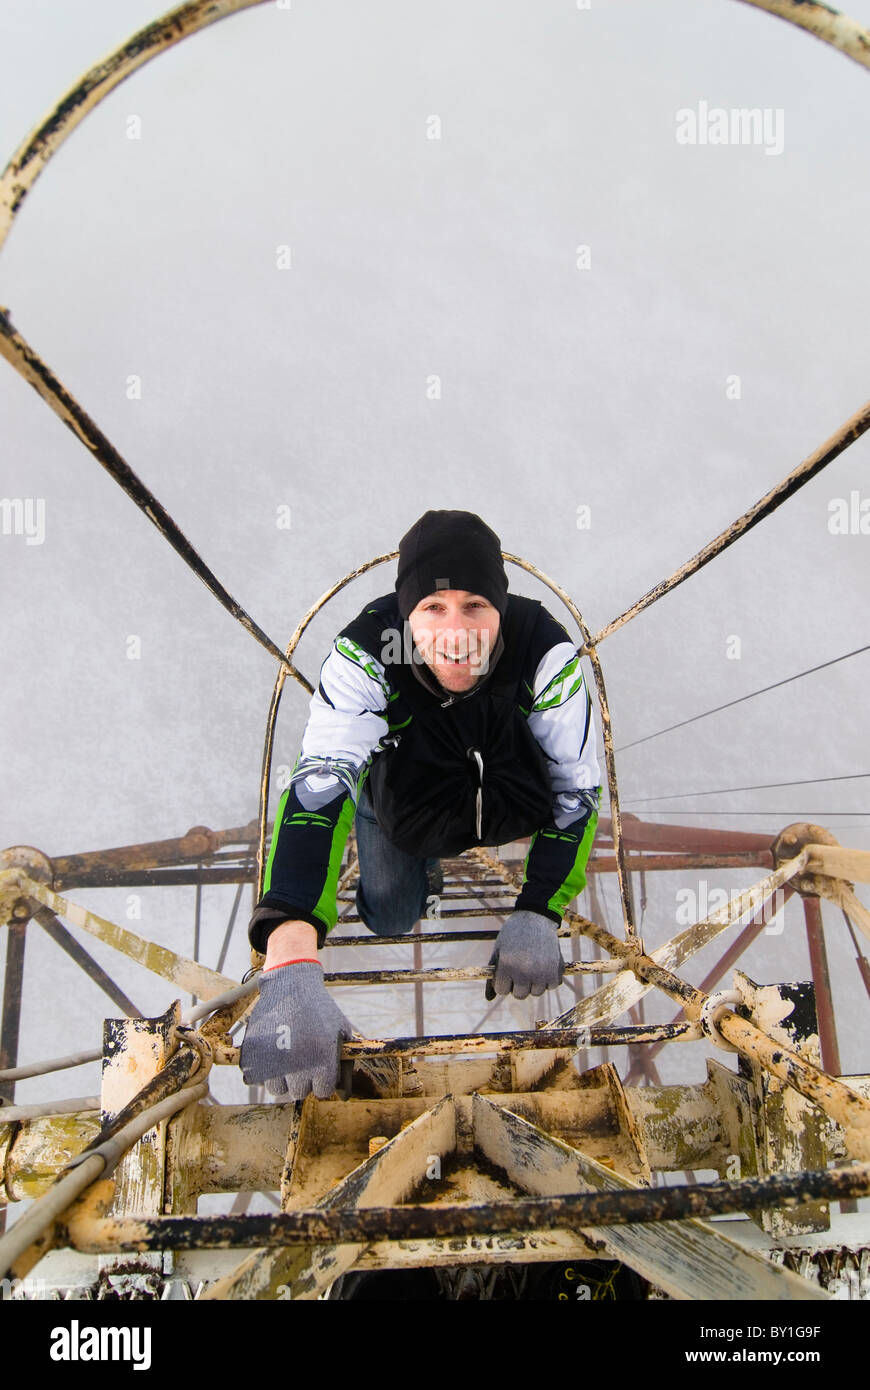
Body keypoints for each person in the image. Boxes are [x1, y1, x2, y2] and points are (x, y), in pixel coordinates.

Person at [240, 510, 601, 1100]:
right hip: (403, 806)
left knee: (422, 884)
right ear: (406, 614)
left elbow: (576, 786)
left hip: (501, 798)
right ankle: (408, 860)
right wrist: (288, 956)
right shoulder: (364, 654)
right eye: (433, 609)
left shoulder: (544, 651)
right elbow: (322, 780)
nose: (456, 632)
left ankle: (439, 854)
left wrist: (540, 908)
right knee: (390, 913)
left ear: (501, 608)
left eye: (475, 606)